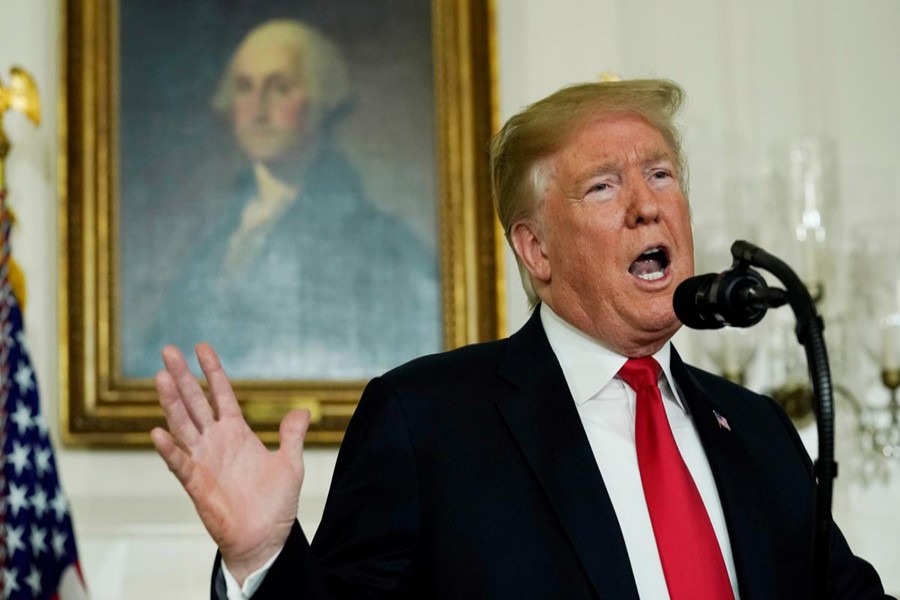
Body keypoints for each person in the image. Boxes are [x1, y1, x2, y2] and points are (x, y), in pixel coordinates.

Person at [152, 79, 892, 598]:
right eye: (603, 185)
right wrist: (262, 559)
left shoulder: (757, 430)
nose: (646, 206)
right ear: (536, 251)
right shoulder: (426, 423)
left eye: (661, 174)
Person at [128, 19, 440, 380]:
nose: (258, 108)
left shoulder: (384, 245)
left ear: (321, 101)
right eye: (244, 87)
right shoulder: (216, 236)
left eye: (279, 88)